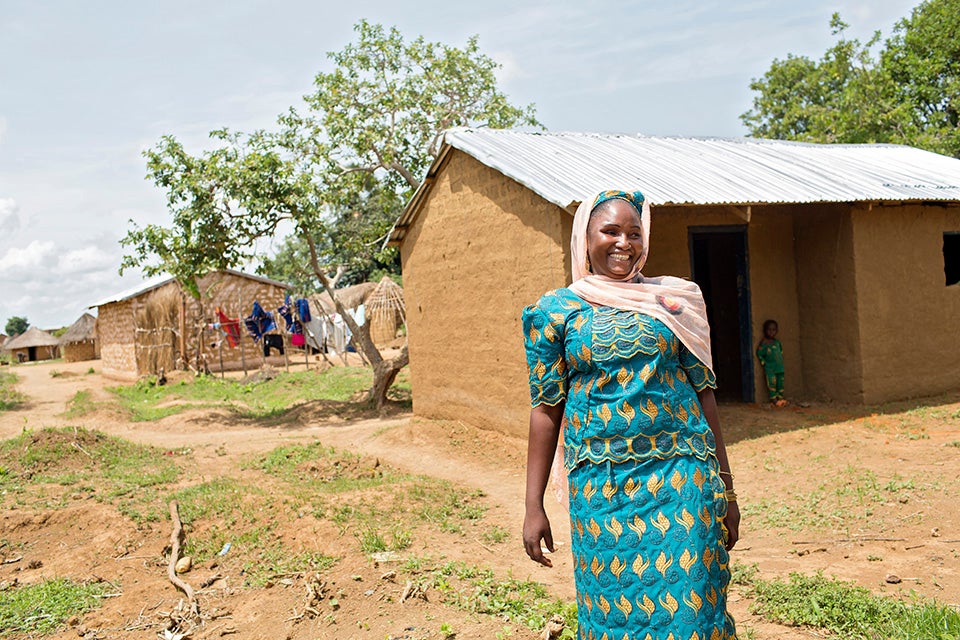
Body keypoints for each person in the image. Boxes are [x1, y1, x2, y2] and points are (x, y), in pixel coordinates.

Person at [522, 190, 739, 640]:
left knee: (692, 609)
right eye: (611, 231)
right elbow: (546, 409)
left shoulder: (673, 302)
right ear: (586, 238)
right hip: (602, 491)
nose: (624, 243)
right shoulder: (556, 312)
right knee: (612, 612)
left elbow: (705, 396)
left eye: (635, 233)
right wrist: (532, 505)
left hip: (682, 476)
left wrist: (728, 490)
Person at [756, 319, 786, 407]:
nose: (771, 332)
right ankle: (774, 399)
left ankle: (780, 398)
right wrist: (764, 363)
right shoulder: (764, 343)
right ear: (765, 331)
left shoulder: (777, 343)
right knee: (772, 383)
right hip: (770, 368)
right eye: (769, 330)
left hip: (779, 368)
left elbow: (780, 352)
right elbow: (759, 353)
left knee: (780, 383)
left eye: (774, 330)